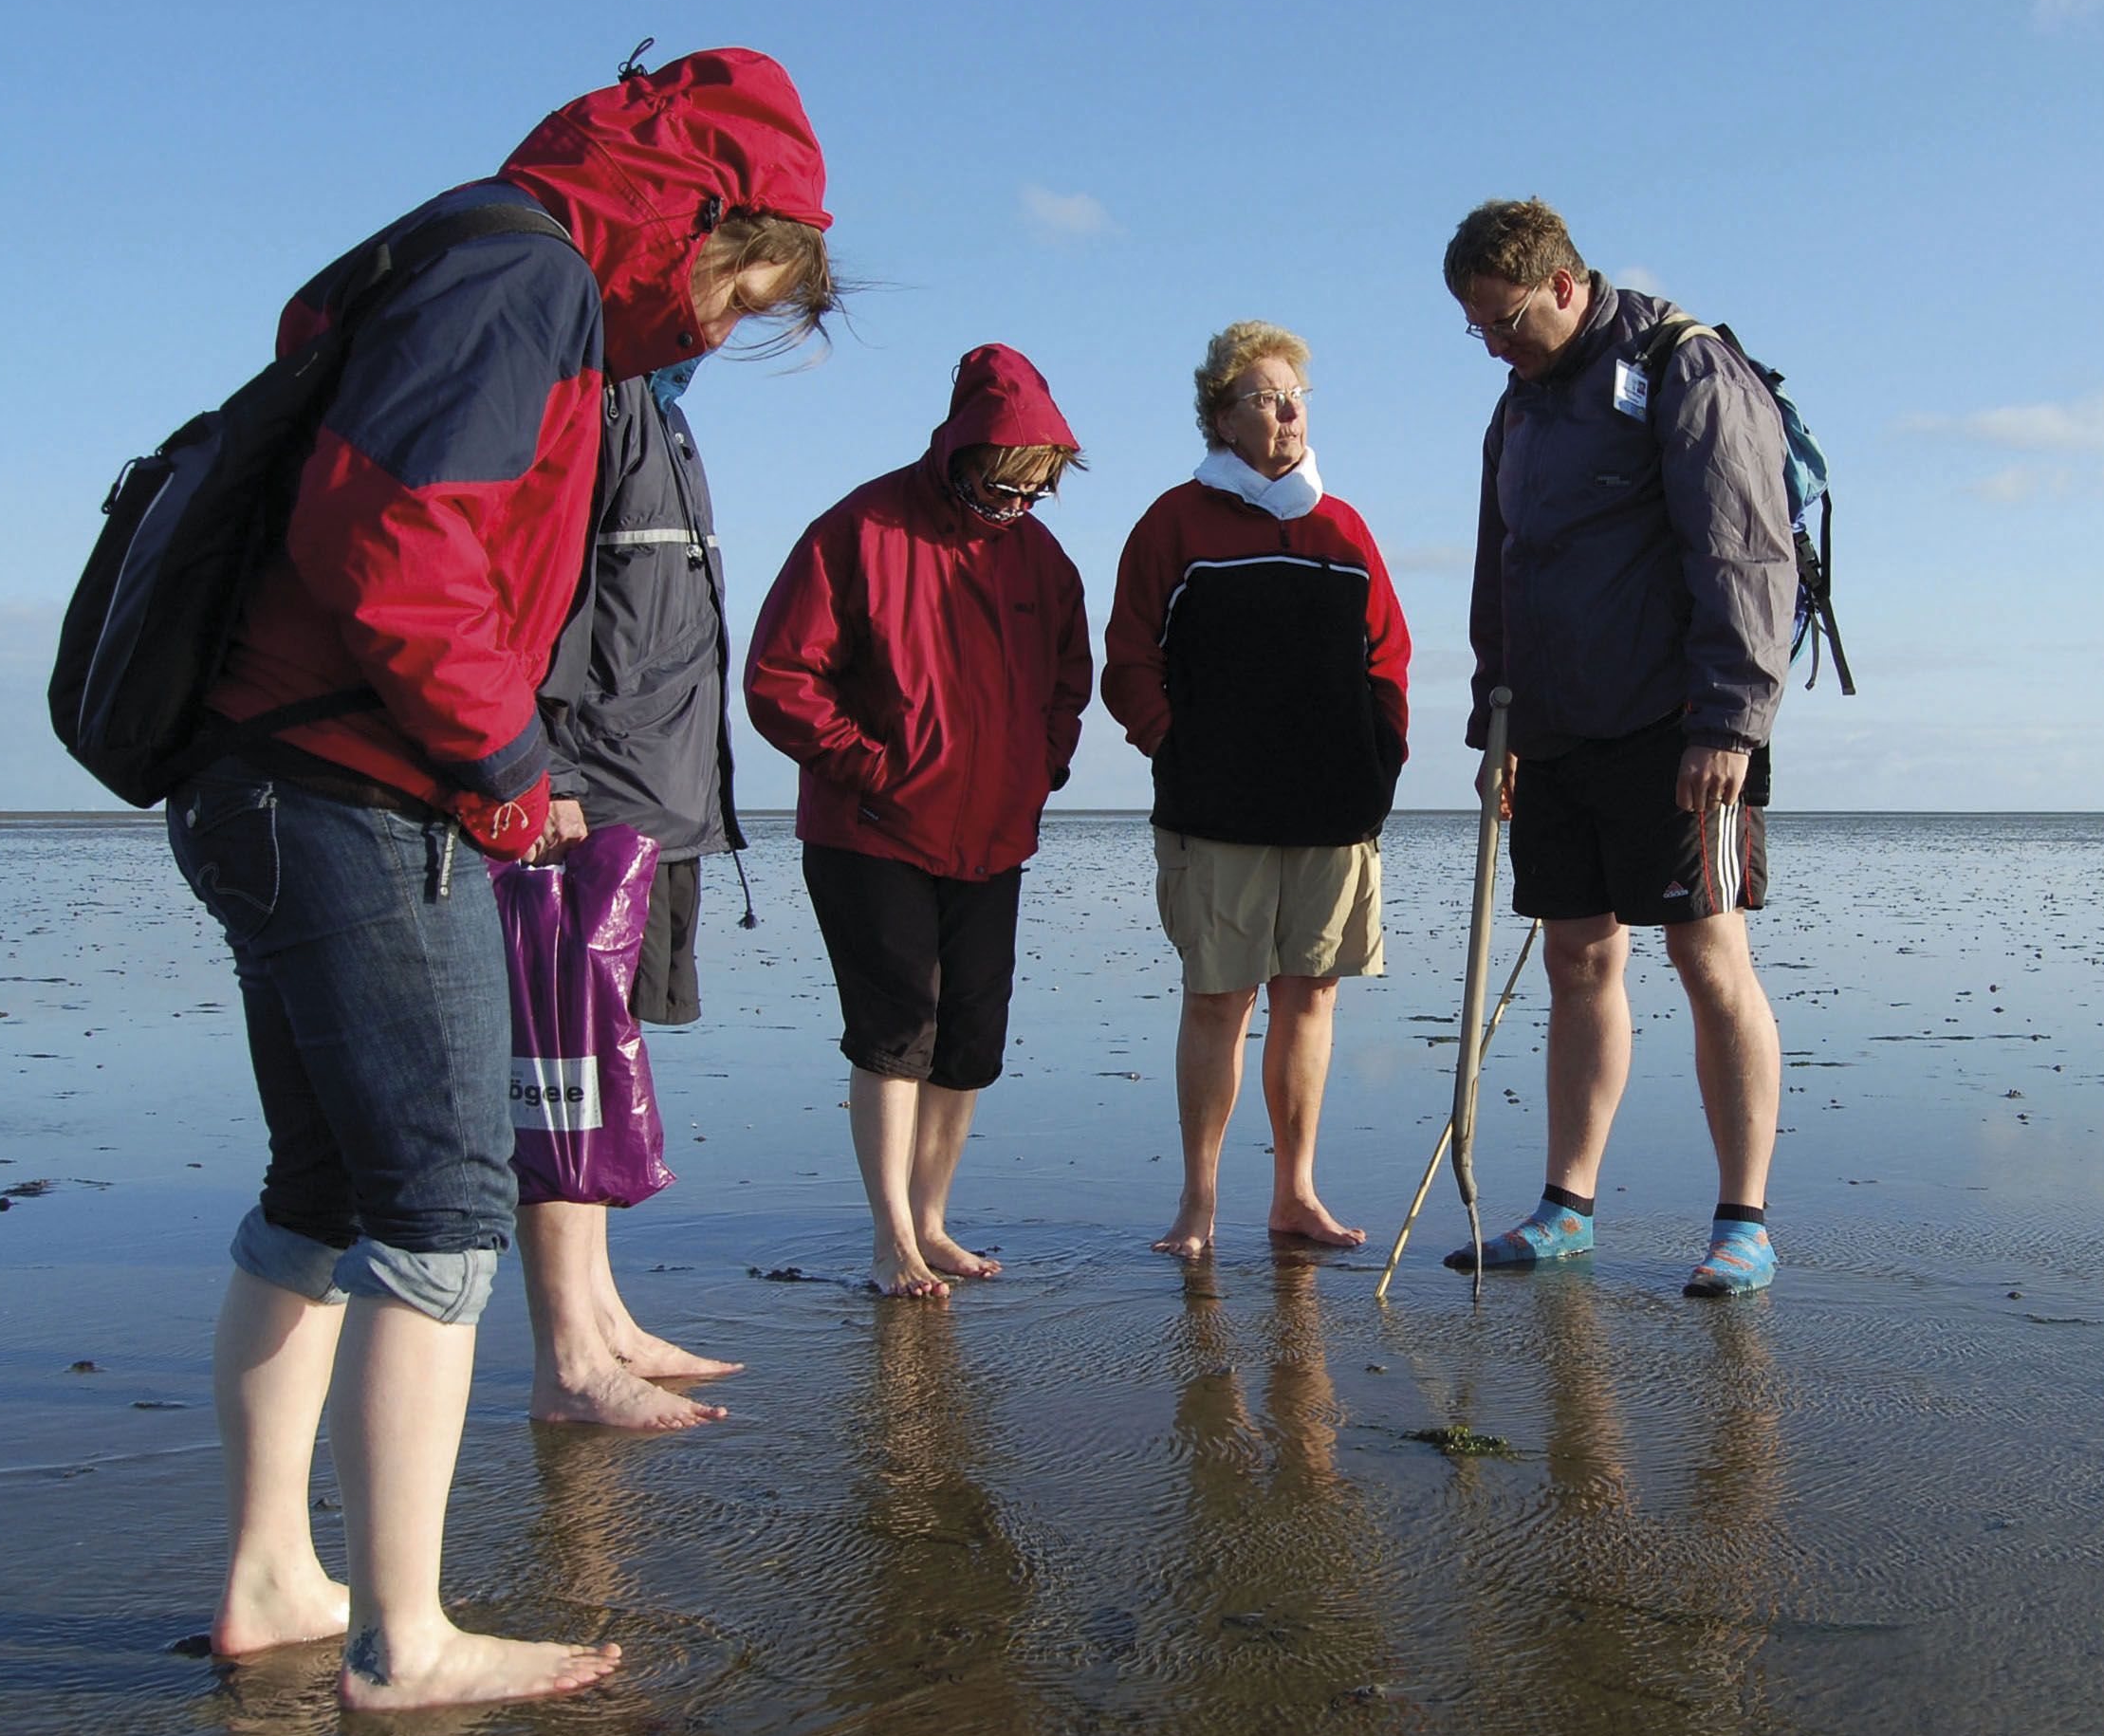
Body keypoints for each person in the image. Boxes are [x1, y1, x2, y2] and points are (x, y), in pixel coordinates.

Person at [165, 48, 835, 1708]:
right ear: (709, 213)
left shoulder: (485, 255)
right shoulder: (521, 268)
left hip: (274, 771)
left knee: (321, 1189)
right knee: (444, 1201)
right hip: (349, 782)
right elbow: (384, 531)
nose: (730, 323)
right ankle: (409, 1635)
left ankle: (271, 1573)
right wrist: (506, 762)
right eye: (747, 287)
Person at [1439, 198, 1791, 1296]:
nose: (1491, 345)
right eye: (1472, 330)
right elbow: (1500, 572)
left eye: (1501, 321)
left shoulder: (1684, 368)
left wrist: (1730, 718)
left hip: (1678, 731)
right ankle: (1565, 1207)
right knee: (1576, 956)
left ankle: (1743, 1221)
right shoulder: (1516, 409)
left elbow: (1743, 550)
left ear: (1560, 284)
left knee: (1706, 953)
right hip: (1550, 730)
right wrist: (1493, 725)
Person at [745, 345, 1090, 1299]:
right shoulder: (857, 528)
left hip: (993, 836)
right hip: (870, 832)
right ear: (962, 458)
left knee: (968, 1042)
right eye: (999, 491)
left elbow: (1069, 679)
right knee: (897, 1028)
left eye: (1033, 493)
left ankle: (932, 1219)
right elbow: (778, 678)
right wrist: (876, 766)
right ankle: (889, 1235)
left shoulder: (1043, 560)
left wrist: (1039, 766)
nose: (1013, 508)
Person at [1101, 322, 1411, 1260]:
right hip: (1216, 814)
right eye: (1265, 397)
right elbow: (1126, 661)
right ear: (1220, 417)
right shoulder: (1173, 523)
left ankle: (1294, 1193)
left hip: (1330, 815)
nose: (1287, 412)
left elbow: (1386, 656)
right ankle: (1197, 1201)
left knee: (1309, 995)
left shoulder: (1341, 526)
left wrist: (1377, 759)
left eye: (1296, 396)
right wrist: (1178, 750)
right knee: (1217, 999)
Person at [521, 355, 754, 1431]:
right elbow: (544, 596)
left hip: (660, 790)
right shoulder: (600, 400)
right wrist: (554, 773)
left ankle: (604, 1313)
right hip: (596, 789)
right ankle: (568, 1353)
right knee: (569, 1068)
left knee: (611, 1060)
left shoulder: (664, 414)